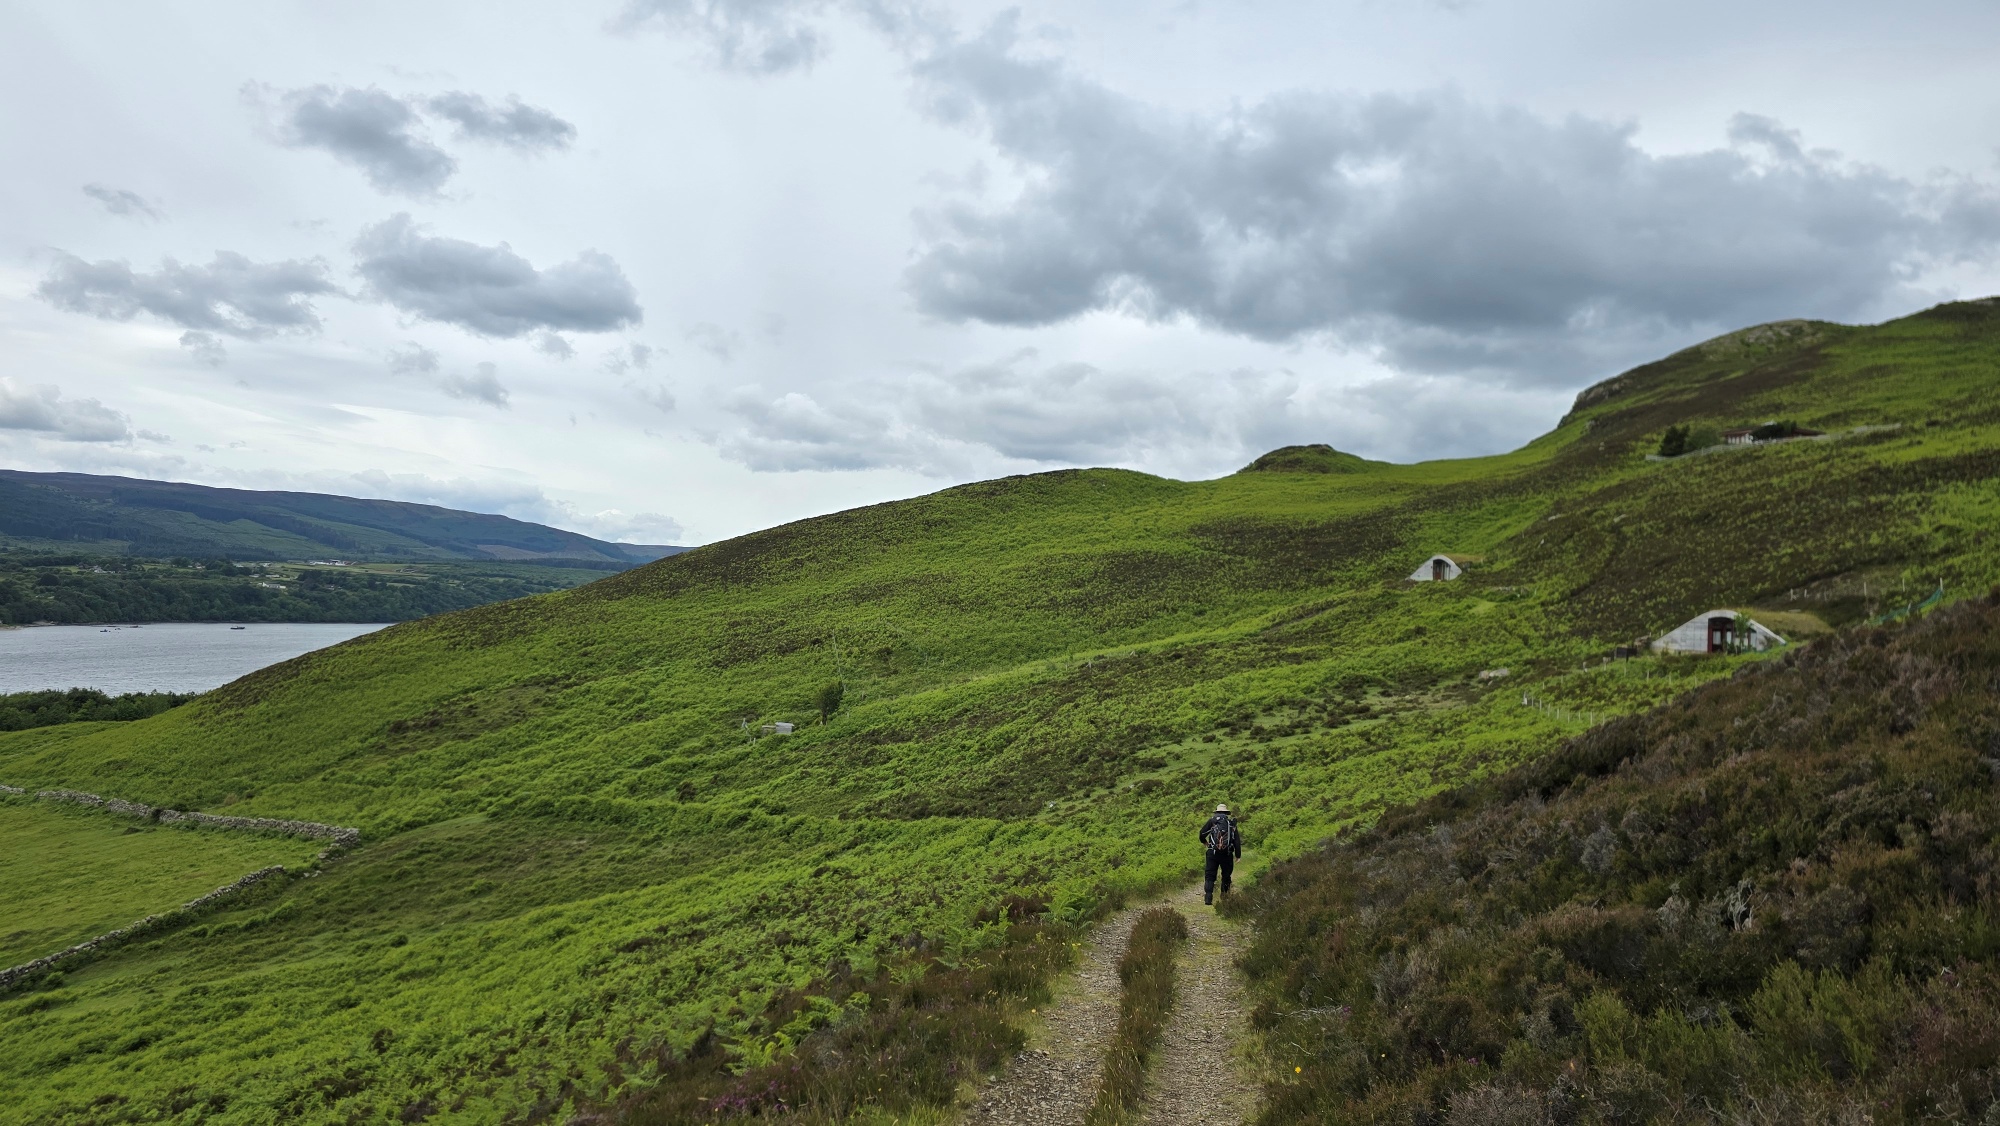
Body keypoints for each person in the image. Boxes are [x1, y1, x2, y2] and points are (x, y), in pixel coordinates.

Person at [1200, 803, 1242, 906]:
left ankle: (1208, 898)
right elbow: (1236, 841)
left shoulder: (1212, 821)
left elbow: (1201, 833)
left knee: (1210, 875)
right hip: (1227, 854)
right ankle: (1224, 898)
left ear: (1217, 812)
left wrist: (1205, 842)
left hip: (1212, 853)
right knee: (1226, 875)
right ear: (1226, 813)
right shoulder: (1231, 823)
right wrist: (1238, 855)